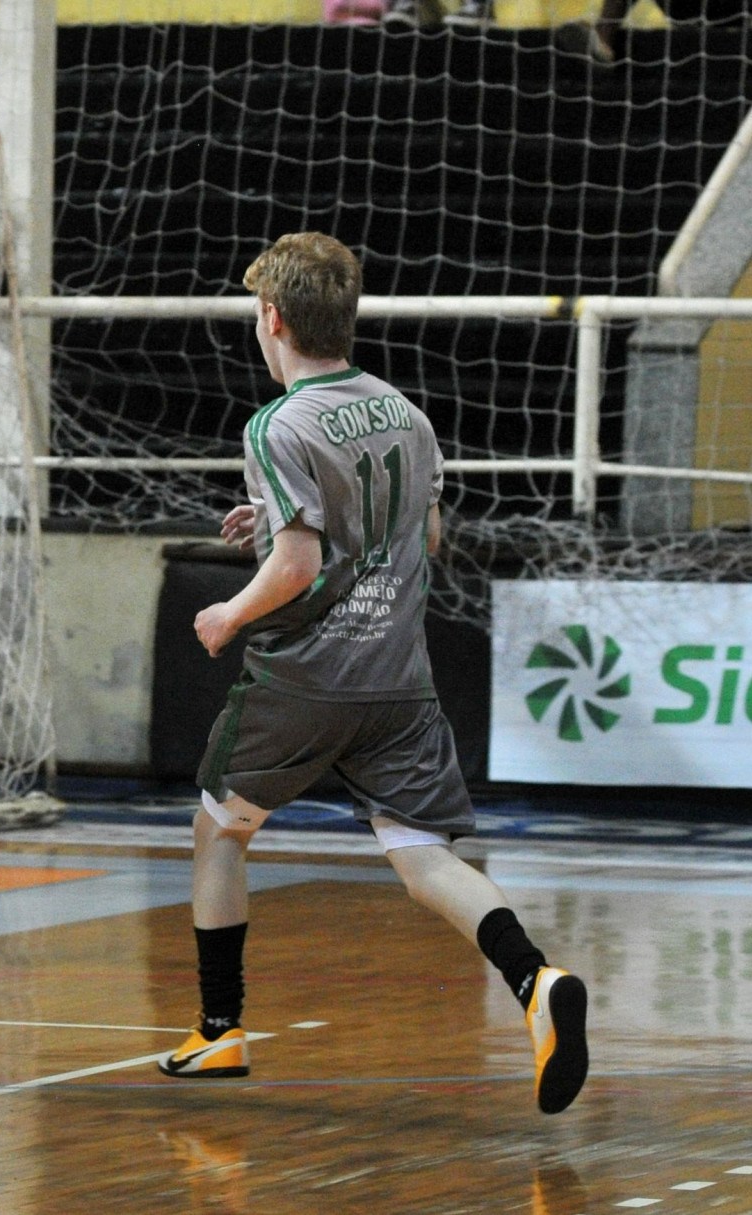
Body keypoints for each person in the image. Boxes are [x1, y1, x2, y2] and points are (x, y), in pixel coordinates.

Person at [157, 232, 589, 1117]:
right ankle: (534, 979)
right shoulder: (405, 413)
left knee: (219, 832)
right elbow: (422, 536)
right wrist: (271, 519)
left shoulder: (277, 423)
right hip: (398, 679)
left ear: (271, 319)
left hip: (303, 679)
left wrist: (227, 611)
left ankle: (219, 1029)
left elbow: (297, 567)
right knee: (423, 856)